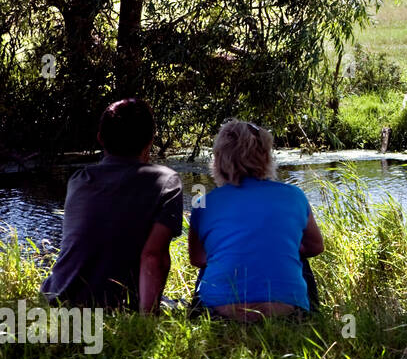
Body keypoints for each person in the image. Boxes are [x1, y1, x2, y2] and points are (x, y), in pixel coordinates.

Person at [40, 98, 183, 313]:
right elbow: (154, 257)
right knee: (180, 306)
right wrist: (147, 322)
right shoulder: (166, 181)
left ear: (100, 139)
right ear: (150, 141)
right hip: (115, 305)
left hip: (57, 297)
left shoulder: (79, 179)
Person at [189, 119, 324, 321]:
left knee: (212, 262)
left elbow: (198, 259)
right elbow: (315, 246)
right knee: (300, 259)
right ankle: (312, 315)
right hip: (285, 312)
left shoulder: (202, 203)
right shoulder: (294, 196)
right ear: (266, 157)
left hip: (221, 313)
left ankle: (200, 314)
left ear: (219, 160)